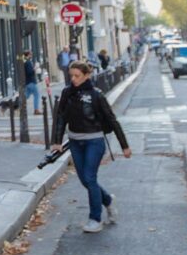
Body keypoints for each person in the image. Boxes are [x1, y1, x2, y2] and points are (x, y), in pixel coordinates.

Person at [54, 59, 130, 232]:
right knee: (86, 180)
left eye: (77, 76)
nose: (73, 79)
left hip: (94, 141)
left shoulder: (96, 95)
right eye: (71, 76)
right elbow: (61, 117)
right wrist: (56, 141)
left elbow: (112, 120)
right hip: (74, 141)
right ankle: (108, 201)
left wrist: (124, 145)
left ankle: (95, 219)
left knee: (89, 178)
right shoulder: (67, 93)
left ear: (87, 75)